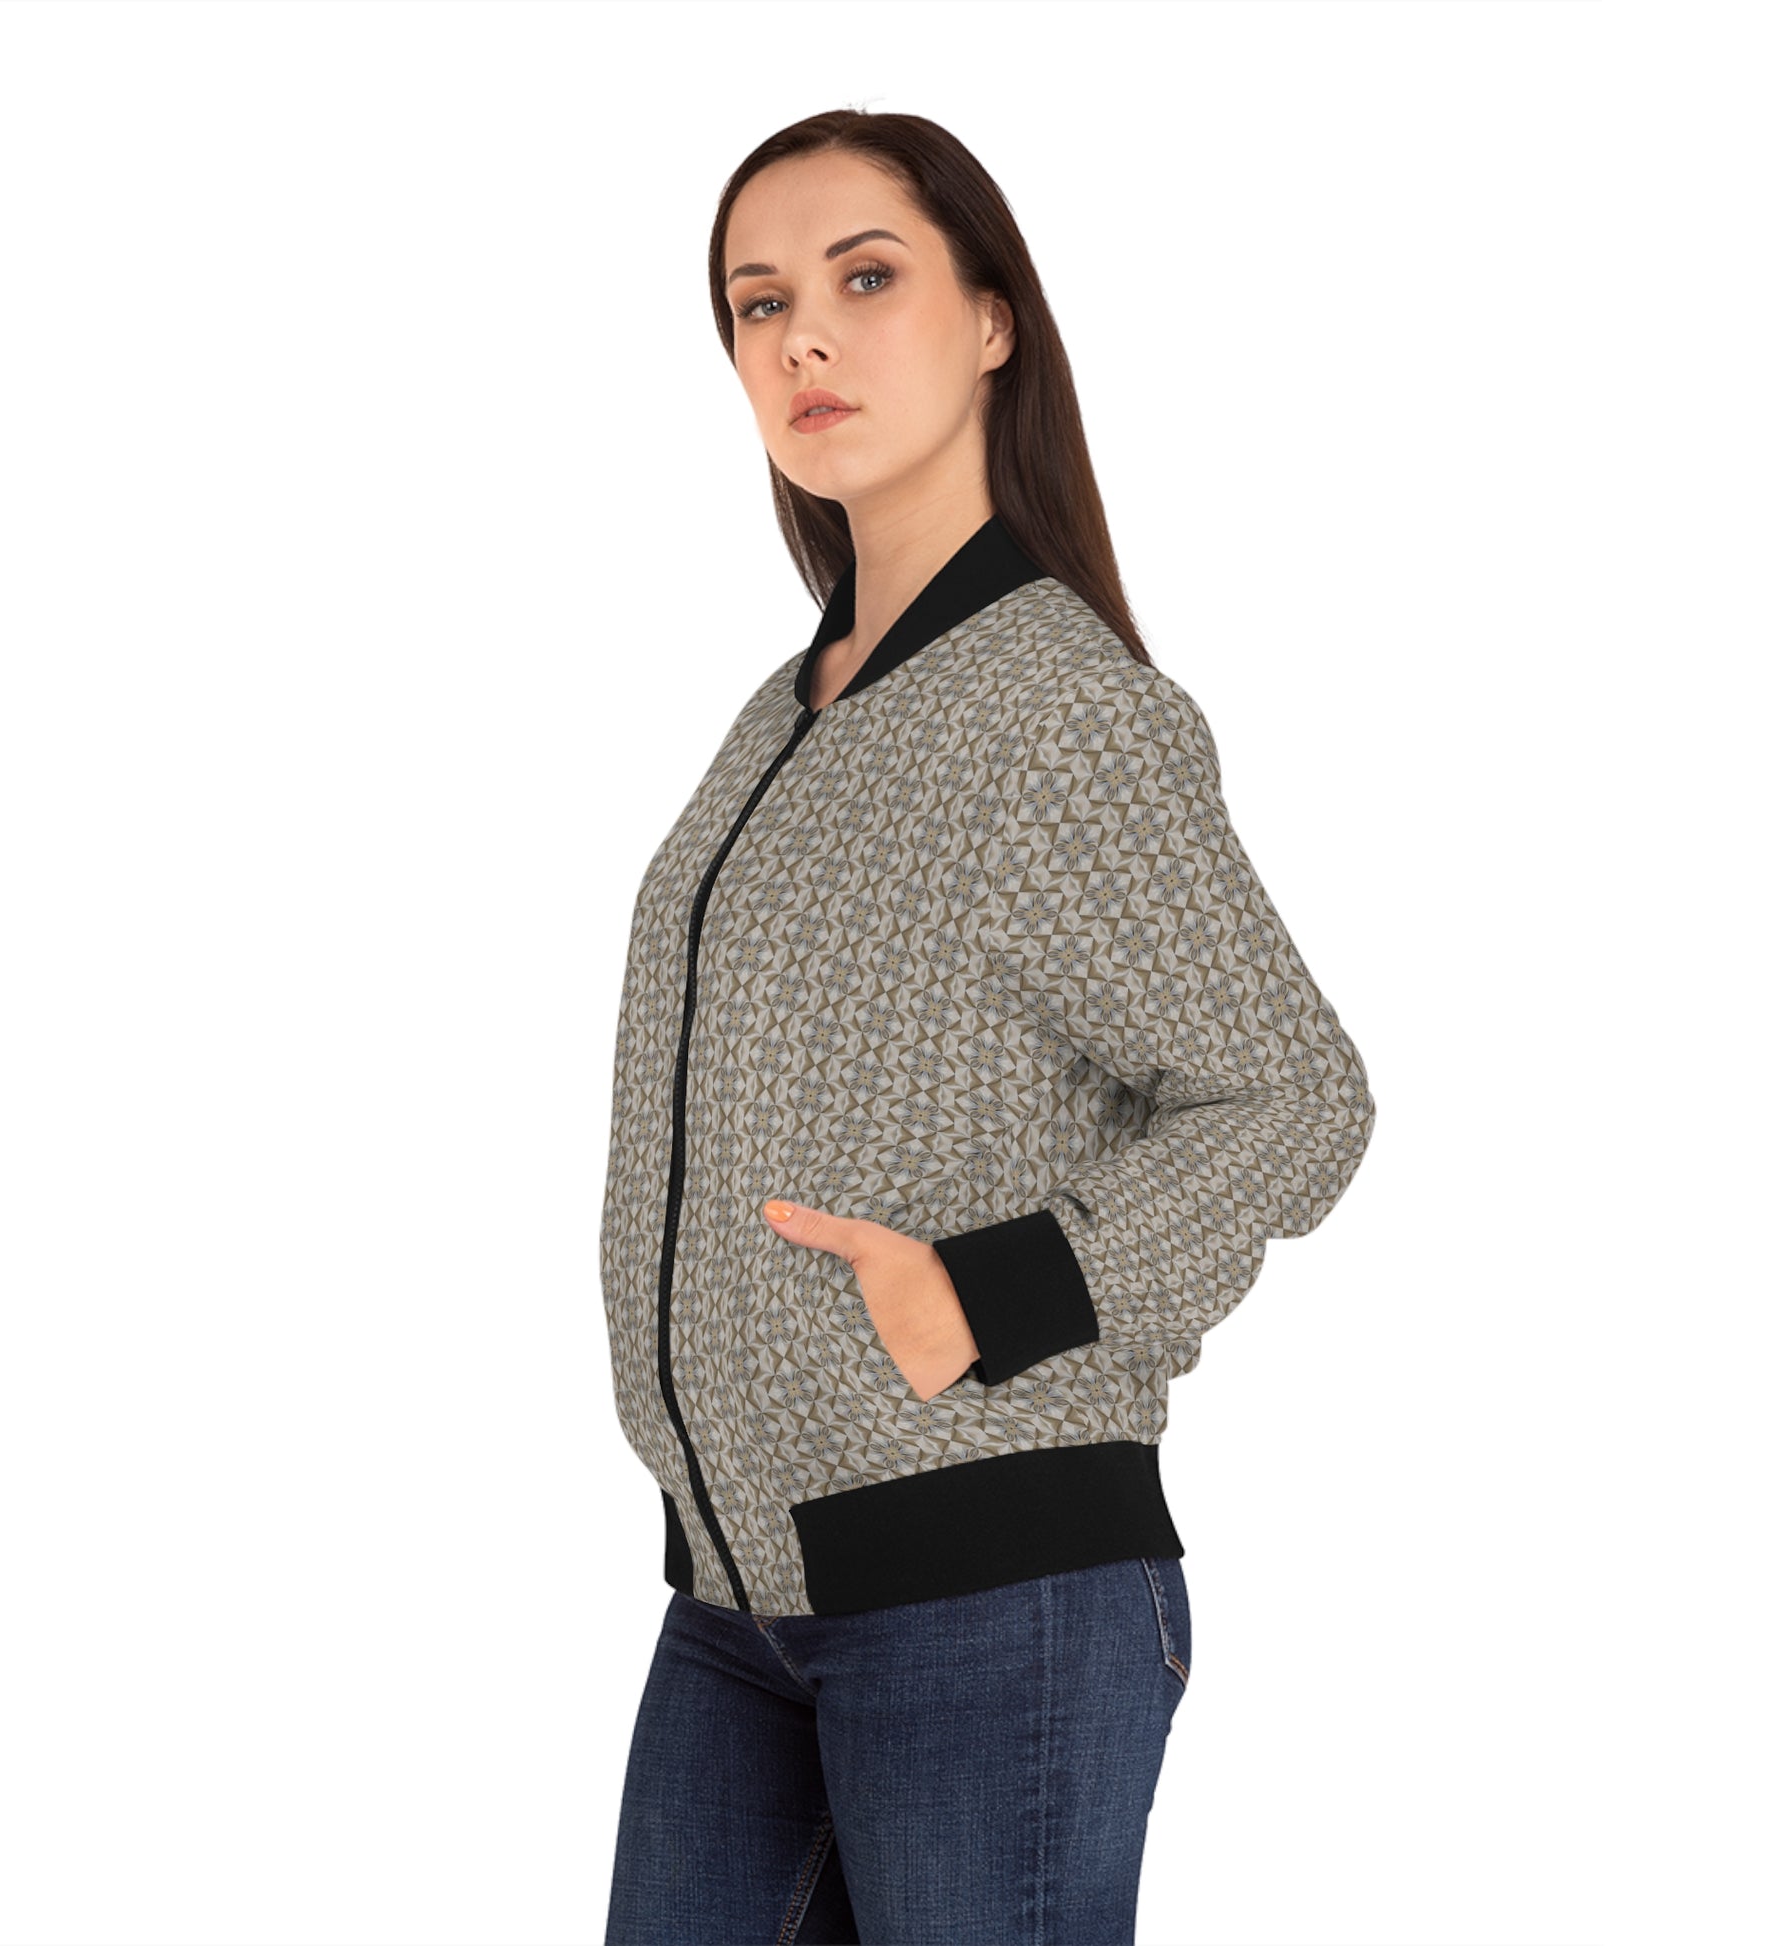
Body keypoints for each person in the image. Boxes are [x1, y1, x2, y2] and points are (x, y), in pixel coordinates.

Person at [599, 107, 1377, 1946]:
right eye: (758, 302)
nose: (803, 337)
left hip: (985, 1596)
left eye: (864, 279)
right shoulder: (788, 708)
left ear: (992, 318)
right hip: (736, 1601)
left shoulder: (1058, 708)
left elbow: (1294, 1094)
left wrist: (997, 1290)